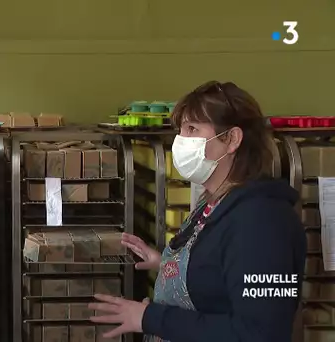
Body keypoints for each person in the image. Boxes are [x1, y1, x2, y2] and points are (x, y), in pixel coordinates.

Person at [89, 81, 306, 341]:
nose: (180, 141)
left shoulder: (265, 224)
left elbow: (261, 333)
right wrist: (167, 265)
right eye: (180, 130)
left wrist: (149, 318)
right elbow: (220, 274)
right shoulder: (213, 200)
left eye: (192, 129)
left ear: (232, 139)